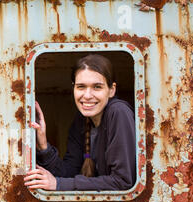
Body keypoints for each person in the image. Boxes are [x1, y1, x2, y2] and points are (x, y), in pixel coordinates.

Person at [24, 54, 136, 191]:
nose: (87, 95)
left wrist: (59, 184)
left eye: (97, 87)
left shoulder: (118, 112)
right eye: (81, 87)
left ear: (111, 90)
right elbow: (69, 173)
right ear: (74, 88)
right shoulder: (82, 119)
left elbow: (122, 181)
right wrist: (43, 146)